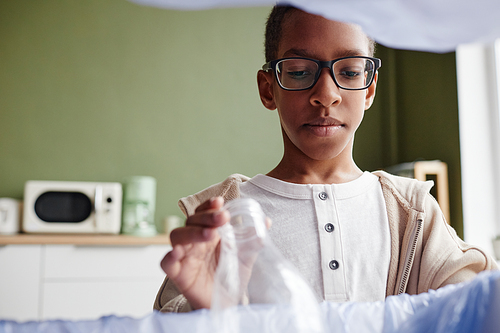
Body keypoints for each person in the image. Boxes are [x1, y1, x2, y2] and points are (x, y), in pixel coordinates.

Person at [154, 5, 498, 313]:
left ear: (370, 88)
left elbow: (478, 302)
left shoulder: (412, 213)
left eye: (349, 72)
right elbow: (171, 314)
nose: (326, 95)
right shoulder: (223, 216)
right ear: (267, 89)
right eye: (300, 71)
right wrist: (208, 308)